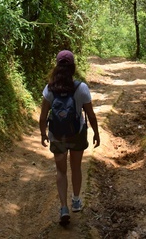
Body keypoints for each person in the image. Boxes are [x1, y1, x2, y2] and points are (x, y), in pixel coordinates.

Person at [39, 50, 100, 225]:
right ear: (73, 68)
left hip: (57, 135)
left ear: (57, 67)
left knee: (61, 171)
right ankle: (75, 201)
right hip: (77, 133)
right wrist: (96, 132)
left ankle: (63, 207)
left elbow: (43, 116)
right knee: (76, 167)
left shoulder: (49, 89)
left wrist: (44, 134)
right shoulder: (81, 88)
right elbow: (91, 114)